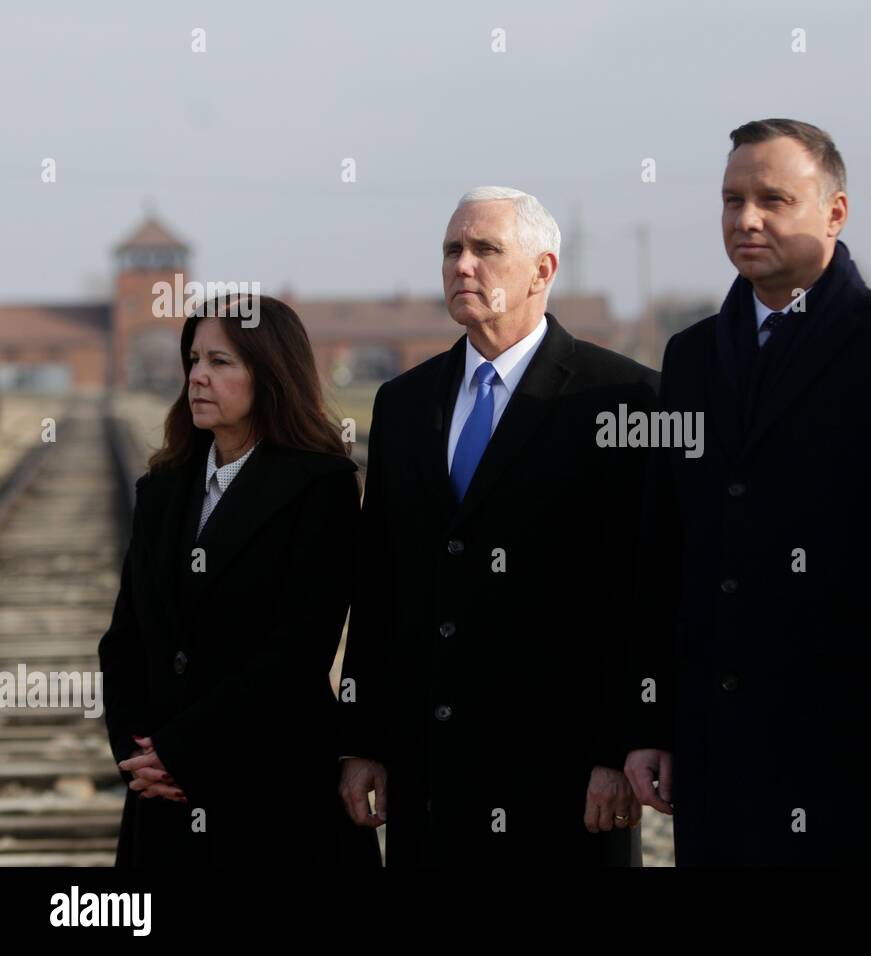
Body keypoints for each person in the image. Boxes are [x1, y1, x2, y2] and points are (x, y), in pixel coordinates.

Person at [624, 120, 871, 865]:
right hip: (717, 751)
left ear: (835, 212)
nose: (746, 219)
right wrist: (649, 721)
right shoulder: (688, 358)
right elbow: (663, 552)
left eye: (772, 199)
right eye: (732, 199)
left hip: (853, 753)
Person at [338, 187, 658, 866]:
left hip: (566, 777)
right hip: (430, 772)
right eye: (453, 249)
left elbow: (641, 593)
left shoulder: (623, 397)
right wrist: (362, 742)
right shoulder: (403, 403)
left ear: (543, 270)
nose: (462, 266)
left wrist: (617, 749)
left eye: (486, 249)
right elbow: (379, 584)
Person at [99, 294, 380, 866]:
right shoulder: (163, 490)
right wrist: (137, 755)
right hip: (166, 798)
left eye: (220, 362)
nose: (197, 377)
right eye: (194, 359)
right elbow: (124, 640)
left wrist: (181, 750)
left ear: (270, 373)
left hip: (272, 793)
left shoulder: (319, 489)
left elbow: (294, 654)